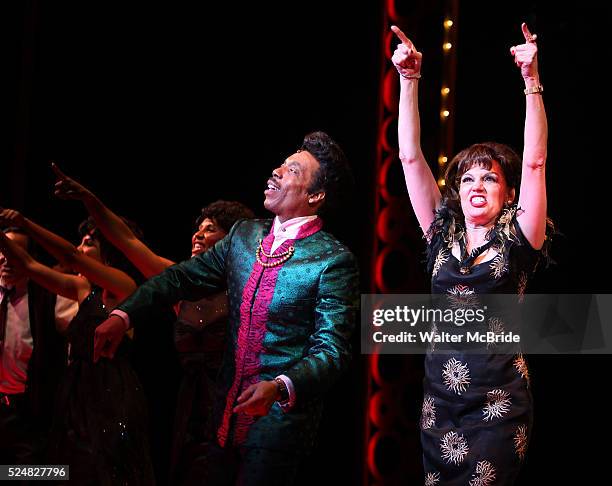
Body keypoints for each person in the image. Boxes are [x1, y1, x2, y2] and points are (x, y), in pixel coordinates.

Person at [93, 131, 359, 486]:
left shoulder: (332, 260)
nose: (277, 171)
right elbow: (180, 279)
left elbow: (332, 350)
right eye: (281, 164)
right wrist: (123, 314)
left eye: (293, 171)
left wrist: (280, 386)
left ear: (315, 195)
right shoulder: (244, 236)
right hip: (223, 418)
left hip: (279, 427)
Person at [391, 23, 553, 484]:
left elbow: (536, 160)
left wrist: (530, 81)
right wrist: (409, 80)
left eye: (489, 178)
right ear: (455, 193)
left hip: (498, 404)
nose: (476, 186)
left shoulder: (520, 240)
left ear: (508, 194)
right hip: (440, 403)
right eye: (466, 179)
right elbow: (408, 157)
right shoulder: (440, 236)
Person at [51, 165, 255, 483]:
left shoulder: (250, 287)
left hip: (235, 409)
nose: (197, 234)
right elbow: (128, 242)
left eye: (210, 228)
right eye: (197, 228)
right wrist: (90, 200)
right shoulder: (180, 286)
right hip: (189, 415)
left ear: (231, 241)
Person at [0, 209, 154, 485]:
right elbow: (29, 265)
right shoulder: (83, 289)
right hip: (74, 395)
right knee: (66, 471)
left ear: (108, 249)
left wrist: (26, 223)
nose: (80, 248)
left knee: (104, 471)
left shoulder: (125, 286)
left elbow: (69, 255)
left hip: (109, 395)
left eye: (88, 243)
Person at [1, 227, 68, 465]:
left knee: (36, 473)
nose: (6, 258)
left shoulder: (48, 297)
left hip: (28, 414)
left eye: (14, 251)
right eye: (2, 250)